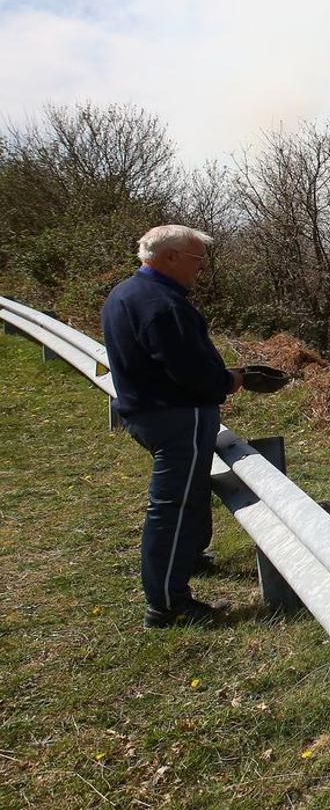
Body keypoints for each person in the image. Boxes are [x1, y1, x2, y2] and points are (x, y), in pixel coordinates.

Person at [102, 225, 243, 628]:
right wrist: (229, 381)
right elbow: (192, 372)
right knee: (172, 506)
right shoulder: (163, 305)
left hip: (147, 412)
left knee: (186, 495)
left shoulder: (125, 293)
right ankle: (166, 604)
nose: (201, 270)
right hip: (176, 417)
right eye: (197, 261)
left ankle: (188, 559)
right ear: (169, 258)